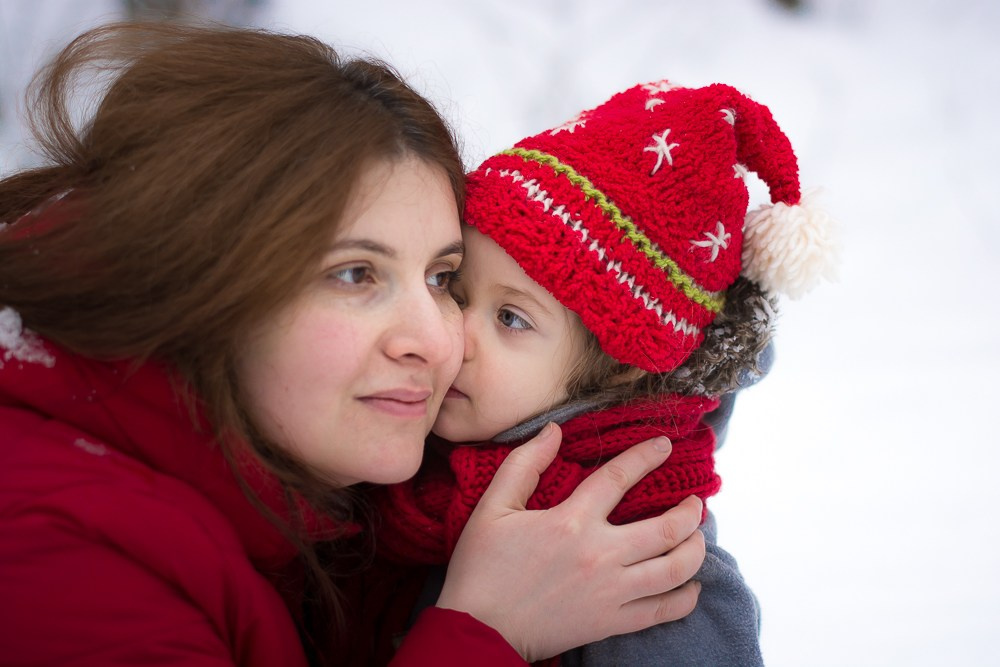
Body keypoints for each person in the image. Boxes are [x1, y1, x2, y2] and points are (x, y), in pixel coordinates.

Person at [0, 24, 710, 667]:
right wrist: (483, 634)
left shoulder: (330, 492)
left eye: (442, 277)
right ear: (199, 272)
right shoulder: (56, 554)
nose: (439, 340)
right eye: (355, 273)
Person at [375, 80, 837, 665]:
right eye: (455, 291)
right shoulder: (396, 472)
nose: (455, 335)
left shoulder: (646, 569)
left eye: (511, 318)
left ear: (615, 373)